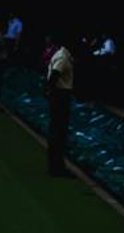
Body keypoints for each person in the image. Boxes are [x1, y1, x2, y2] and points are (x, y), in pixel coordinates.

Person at [46, 35, 74, 177]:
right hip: (60, 95)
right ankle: (56, 167)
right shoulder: (63, 57)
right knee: (58, 132)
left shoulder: (61, 54)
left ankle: (56, 165)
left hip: (58, 95)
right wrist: (51, 92)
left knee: (56, 131)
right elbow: (55, 75)